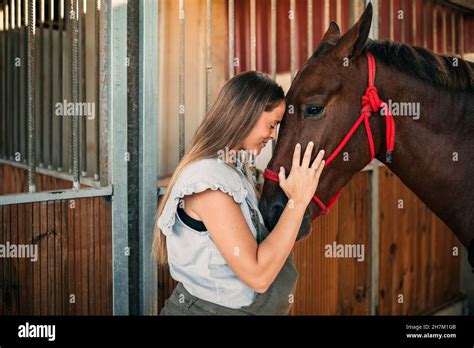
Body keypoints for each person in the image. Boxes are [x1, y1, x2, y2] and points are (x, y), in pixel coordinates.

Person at [154, 71, 325, 315]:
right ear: (247, 115)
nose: (273, 135)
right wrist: (297, 203)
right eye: (272, 124)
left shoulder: (234, 171)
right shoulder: (208, 183)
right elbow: (258, 275)